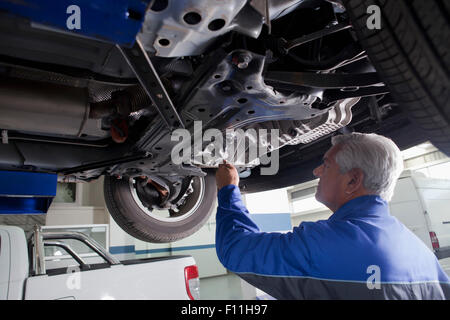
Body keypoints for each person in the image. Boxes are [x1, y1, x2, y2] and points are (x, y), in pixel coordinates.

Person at [215, 132, 450, 299]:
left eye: (326, 165)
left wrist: (228, 190)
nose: (317, 171)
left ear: (353, 180)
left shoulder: (326, 243)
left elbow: (235, 249)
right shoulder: (422, 255)